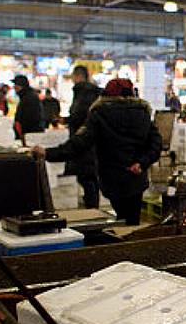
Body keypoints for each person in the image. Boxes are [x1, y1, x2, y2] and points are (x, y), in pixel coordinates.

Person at [35, 78, 161, 225]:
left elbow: (79, 143)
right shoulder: (143, 114)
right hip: (136, 177)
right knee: (132, 220)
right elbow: (156, 144)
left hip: (112, 178)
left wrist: (48, 153)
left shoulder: (100, 114)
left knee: (121, 219)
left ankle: (122, 241)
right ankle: (130, 242)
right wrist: (142, 163)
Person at [64, 65, 102, 209]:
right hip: (89, 142)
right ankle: (92, 208)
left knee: (87, 177)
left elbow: (80, 116)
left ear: (78, 76)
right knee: (89, 177)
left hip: (83, 142)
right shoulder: (92, 93)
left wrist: (72, 121)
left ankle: (92, 210)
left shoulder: (83, 93)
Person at [11, 75, 44, 143]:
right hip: (29, 134)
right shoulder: (26, 96)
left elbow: (31, 118)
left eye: (16, 84)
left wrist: (23, 134)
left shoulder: (29, 97)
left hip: (30, 135)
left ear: (22, 85)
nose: (14, 87)